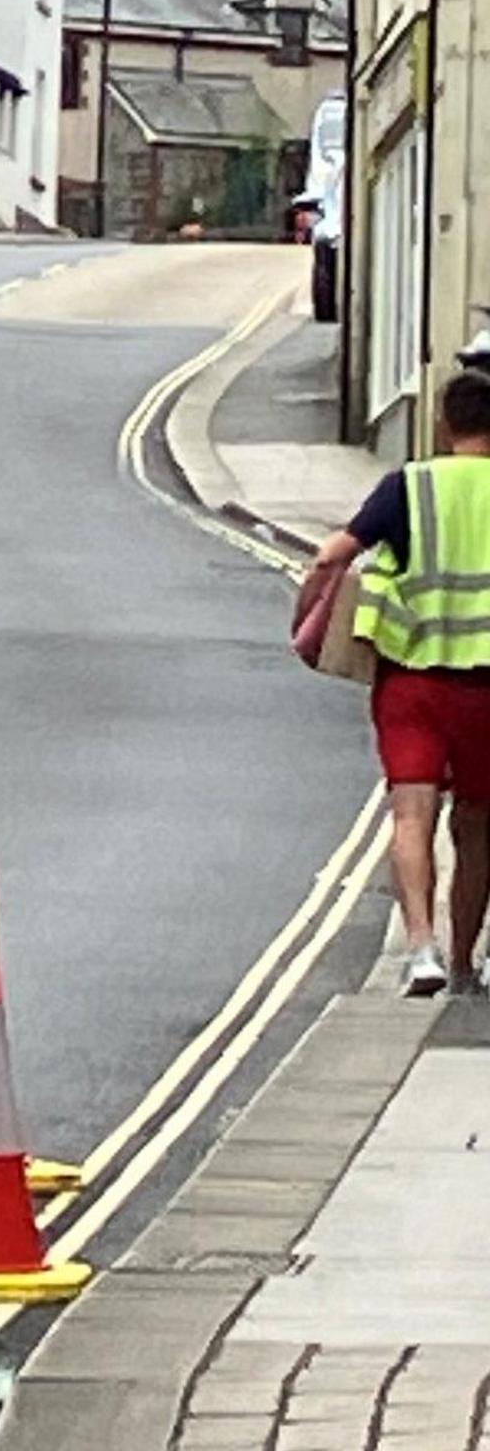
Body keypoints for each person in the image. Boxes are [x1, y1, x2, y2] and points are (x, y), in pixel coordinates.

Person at [299, 369, 490, 994]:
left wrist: (308, 614)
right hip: (485, 690)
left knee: (412, 814)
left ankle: (421, 949)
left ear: (444, 424)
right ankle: (466, 964)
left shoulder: (410, 485)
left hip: (412, 682)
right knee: (477, 826)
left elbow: (333, 554)